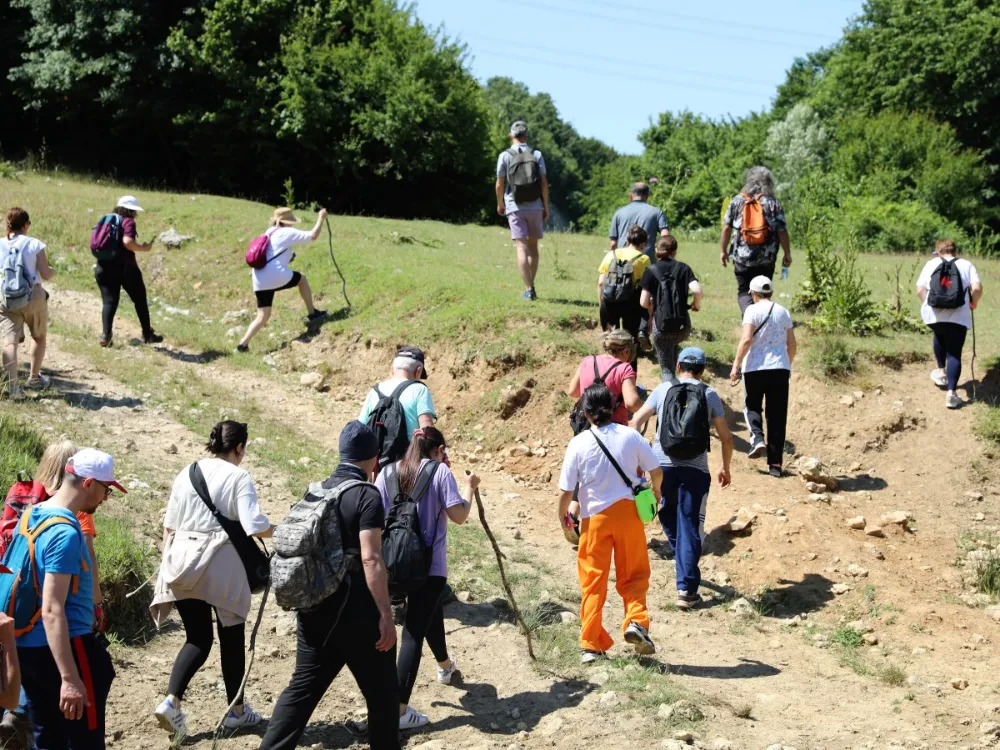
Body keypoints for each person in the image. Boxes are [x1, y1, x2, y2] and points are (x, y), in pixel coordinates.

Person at [259, 421, 399, 750]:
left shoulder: (317, 490)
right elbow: (371, 559)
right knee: (382, 696)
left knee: (301, 691)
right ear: (373, 458)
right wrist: (386, 614)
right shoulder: (366, 495)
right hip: (357, 614)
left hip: (314, 607)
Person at [150, 421, 273, 740]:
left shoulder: (187, 472)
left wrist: (167, 566)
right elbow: (253, 524)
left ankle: (171, 701)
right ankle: (236, 712)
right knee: (231, 637)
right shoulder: (239, 476)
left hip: (182, 561)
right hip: (221, 564)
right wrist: (279, 530)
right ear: (240, 448)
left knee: (197, 639)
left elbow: (169, 525)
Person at [14, 448, 123, 750]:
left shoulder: (31, 515)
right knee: (83, 743)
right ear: (88, 483)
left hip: (28, 649)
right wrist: (70, 678)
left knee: (47, 739)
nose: (105, 498)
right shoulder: (65, 532)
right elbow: (51, 609)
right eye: (106, 489)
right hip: (67, 649)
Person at [374, 427, 478, 730]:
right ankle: (398, 710)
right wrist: (469, 487)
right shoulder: (441, 473)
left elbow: (376, 518)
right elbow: (459, 516)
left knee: (428, 613)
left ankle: (446, 666)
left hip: (391, 565)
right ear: (439, 449)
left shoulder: (387, 472)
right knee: (412, 634)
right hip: (429, 568)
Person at [558, 384, 661, 663]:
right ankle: (636, 622)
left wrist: (563, 516)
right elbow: (656, 469)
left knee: (593, 580)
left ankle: (591, 644)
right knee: (634, 573)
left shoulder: (578, 443)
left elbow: (567, 490)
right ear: (615, 407)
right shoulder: (631, 436)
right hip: (628, 516)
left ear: (585, 412)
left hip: (595, 520)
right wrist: (656, 492)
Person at [630, 347, 733, 609]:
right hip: (695, 469)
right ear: (703, 369)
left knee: (667, 516)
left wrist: (638, 457)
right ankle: (687, 585)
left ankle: (685, 573)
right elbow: (726, 436)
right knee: (689, 524)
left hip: (661, 466)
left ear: (677, 367)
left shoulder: (663, 390)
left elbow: (636, 421)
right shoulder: (709, 394)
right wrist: (725, 467)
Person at [729, 276, 796, 477]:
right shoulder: (783, 311)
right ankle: (775, 465)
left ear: (753, 293)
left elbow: (747, 339)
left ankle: (757, 439)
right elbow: (792, 343)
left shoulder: (751, 310)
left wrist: (736, 365)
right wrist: (786, 364)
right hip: (780, 369)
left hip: (755, 368)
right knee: (777, 415)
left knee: (752, 406)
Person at [236, 207, 328, 352]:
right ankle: (312, 314)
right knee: (302, 279)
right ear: (287, 222)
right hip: (274, 274)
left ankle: (243, 344)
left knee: (263, 314)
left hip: (258, 276)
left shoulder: (268, 231)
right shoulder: (287, 231)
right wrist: (321, 218)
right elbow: (313, 236)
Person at [916, 239, 984, 409]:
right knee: (954, 353)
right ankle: (952, 394)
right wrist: (973, 303)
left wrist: (928, 304)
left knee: (939, 334)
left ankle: (940, 372)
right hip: (958, 316)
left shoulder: (931, 264)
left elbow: (920, 289)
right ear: (954, 251)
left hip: (934, 315)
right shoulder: (966, 264)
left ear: (937, 251)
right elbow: (976, 289)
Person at [93, 196, 163, 347]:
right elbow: (127, 242)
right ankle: (147, 334)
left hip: (102, 267)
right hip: (125, 268)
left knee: (109, 302)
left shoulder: (107, 219)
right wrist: (144, 248)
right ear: (131, 210)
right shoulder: (128, 221)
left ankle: (106, 336)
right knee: (140, 299)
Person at [720, 167, 792, 315]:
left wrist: (723, 251)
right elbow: (782, 231)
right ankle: (762, 323)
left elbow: (726, 228)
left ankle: (749, 320)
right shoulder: (773, 204)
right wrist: (787, 253)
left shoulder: (737, 201)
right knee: (763, 292)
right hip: (767, 258)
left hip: (742, 257)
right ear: (768, 182)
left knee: (744, 291)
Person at [1, 207, 54, 399]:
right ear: (25, 225)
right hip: (33, 296)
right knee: (38, 337)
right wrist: (53, 271)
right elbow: (46, 274)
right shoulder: (34, 244)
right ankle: (34, 378)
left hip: (7, 299)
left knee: (9, 342)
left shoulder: (0, 244)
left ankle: (12, 387)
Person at [495, 120, 550, 301]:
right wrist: (546, 207)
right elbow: (543, 183)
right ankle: (531, 285)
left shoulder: (505, 155)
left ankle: (529, 288)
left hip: (515, 206)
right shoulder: (537, 154)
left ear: (511, 136)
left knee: (521, 246)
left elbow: (499, 184)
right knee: (533, 246)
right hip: (535, 206)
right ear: (526, 136)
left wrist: (500, 203)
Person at [639, 236, 703, 383]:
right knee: (672, 346)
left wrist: (654, 303)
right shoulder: (684, 268)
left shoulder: (651, 270)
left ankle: (669, 397)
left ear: (656, 250)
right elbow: (697, 290)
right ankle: (679, 383)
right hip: (682, 327)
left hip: (661, 327)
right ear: (675, 252)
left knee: (666, 369)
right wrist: (695, 304)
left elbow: (643, 302)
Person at [358, 346, 437, 437]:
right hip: (408, 451)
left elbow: (360, 427)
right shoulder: (419, 389)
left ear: (393, 368)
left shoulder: (374, 391)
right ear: (418, 371)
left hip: (376, 451)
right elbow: (427, 429)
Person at [598, 225, 651, 351]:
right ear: (643, 244)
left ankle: (611, 359)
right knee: (630, 339)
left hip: (609, 299)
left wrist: (602, 304)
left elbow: (601, 282)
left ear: (627, 241)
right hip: (631, 303)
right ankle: (632, 355)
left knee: (610, 338)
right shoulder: (644, 259)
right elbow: (647, 287)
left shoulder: (612, 254)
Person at [608, 182, 671, 262]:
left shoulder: (618, 213)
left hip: (623, 263)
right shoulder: (657, 213)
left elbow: (613, 243)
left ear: (630, 196)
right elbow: (665, 235)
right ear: (647, 197)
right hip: (646, 261)